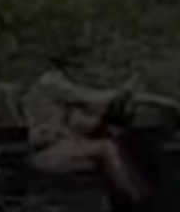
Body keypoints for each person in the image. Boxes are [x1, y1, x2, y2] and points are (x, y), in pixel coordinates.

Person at [21, 54, 149, 205]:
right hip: (49, 149)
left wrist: (105, 120)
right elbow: (92, 98)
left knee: (112, 146)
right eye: (76, 68)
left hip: (54, 146)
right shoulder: (53, 84)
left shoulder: (54, 90)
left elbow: (82, 120)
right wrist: (121, 91)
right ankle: (137, 202)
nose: (79, 73)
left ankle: (133, 195)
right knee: (107, 148)